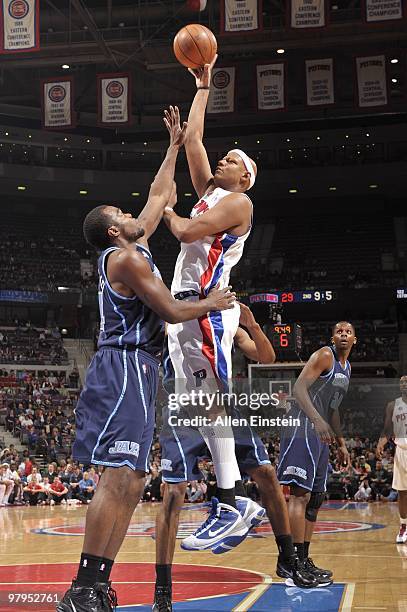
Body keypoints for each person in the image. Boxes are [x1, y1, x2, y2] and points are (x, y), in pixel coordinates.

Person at [57, 107, 235, 612]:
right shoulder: (129, 258)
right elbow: (174, 309)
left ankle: (100, 581)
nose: (131, 213)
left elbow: (161, 196)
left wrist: (174, 147)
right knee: (117, 478)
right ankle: (83, 588)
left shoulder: (131, 244)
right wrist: (214, 302)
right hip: (125, 365)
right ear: (115, 230)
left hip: (140, 368)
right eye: (121, 212)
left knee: (133, 482)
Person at [153, 305, 316, 611]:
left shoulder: (225, 319)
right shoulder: (174, 311)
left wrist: (253, 325)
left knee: (267, 473)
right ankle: (162, 592)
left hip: (222, 404)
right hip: (181, 406)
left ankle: (289, 560)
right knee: (173, 493)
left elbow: (266, 357)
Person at [163, 56, 259, 554]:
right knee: (196, 405)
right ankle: (230, 499)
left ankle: (232, 500)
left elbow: (185, 230)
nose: (224, 160)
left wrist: (162, 202)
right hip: (189, 306)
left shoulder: (238, 204)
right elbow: (195, 140)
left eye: (234, 161)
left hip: (203, 306)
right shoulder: (212, 193)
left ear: (246, 178)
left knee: (209, 402)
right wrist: (202, 86)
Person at [277, 321, 356, 586]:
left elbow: (333, 409)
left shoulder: (347, 369)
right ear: (332, 337)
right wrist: (316, 420)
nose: (343, 334)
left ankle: (304, 558)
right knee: (299, 495)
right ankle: (291, 562)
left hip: (320, 431)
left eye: (348, 332)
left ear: (354, 340)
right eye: (338, 331)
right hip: (302, 423)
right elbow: (299, 388)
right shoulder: (325, 356)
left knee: (316, 498)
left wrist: (342, 444)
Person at [376, 375, 407, 543]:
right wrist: (381, 443)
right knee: (403, 492)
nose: (404, 384)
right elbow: (387, 429)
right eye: (401, 382)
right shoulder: (393, 405)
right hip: (402, 450)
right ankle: (403, 527)